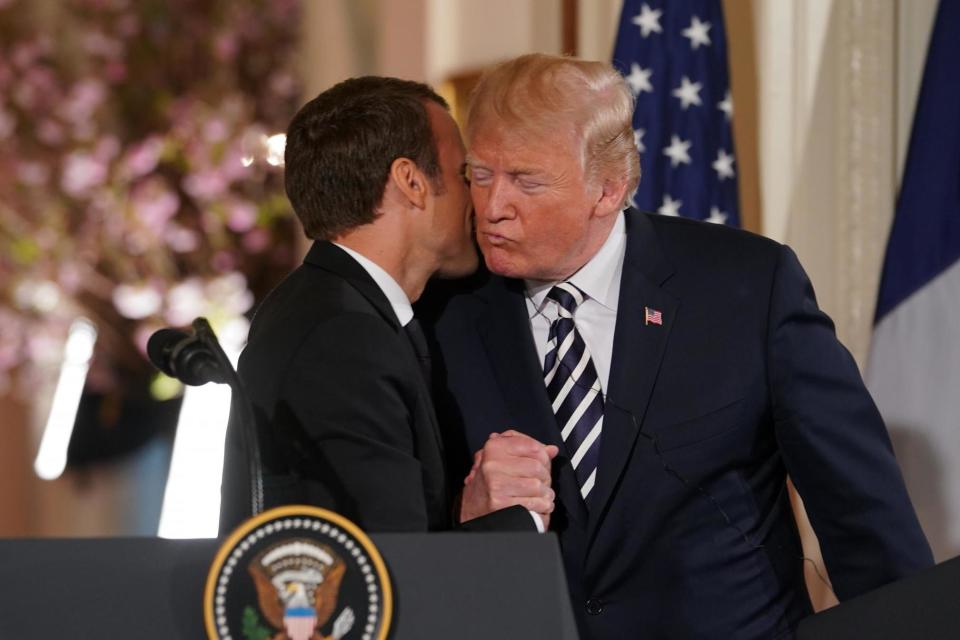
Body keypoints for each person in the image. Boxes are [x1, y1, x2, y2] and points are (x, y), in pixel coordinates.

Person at [424, 53, 934, 638]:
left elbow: (863, 519)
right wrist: (469, 521)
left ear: (607, 189)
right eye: (480, 175)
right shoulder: (443, 313)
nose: (492, 207)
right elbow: (407, 544)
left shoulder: (748, 287)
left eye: (526, 180)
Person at [218, 76, 555, 535]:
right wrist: (515, 520)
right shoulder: (342, 337)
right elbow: (387, 567)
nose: (479, 201)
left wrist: (463, 512)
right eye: (463, 176)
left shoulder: (333, 310)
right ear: (411, 182)